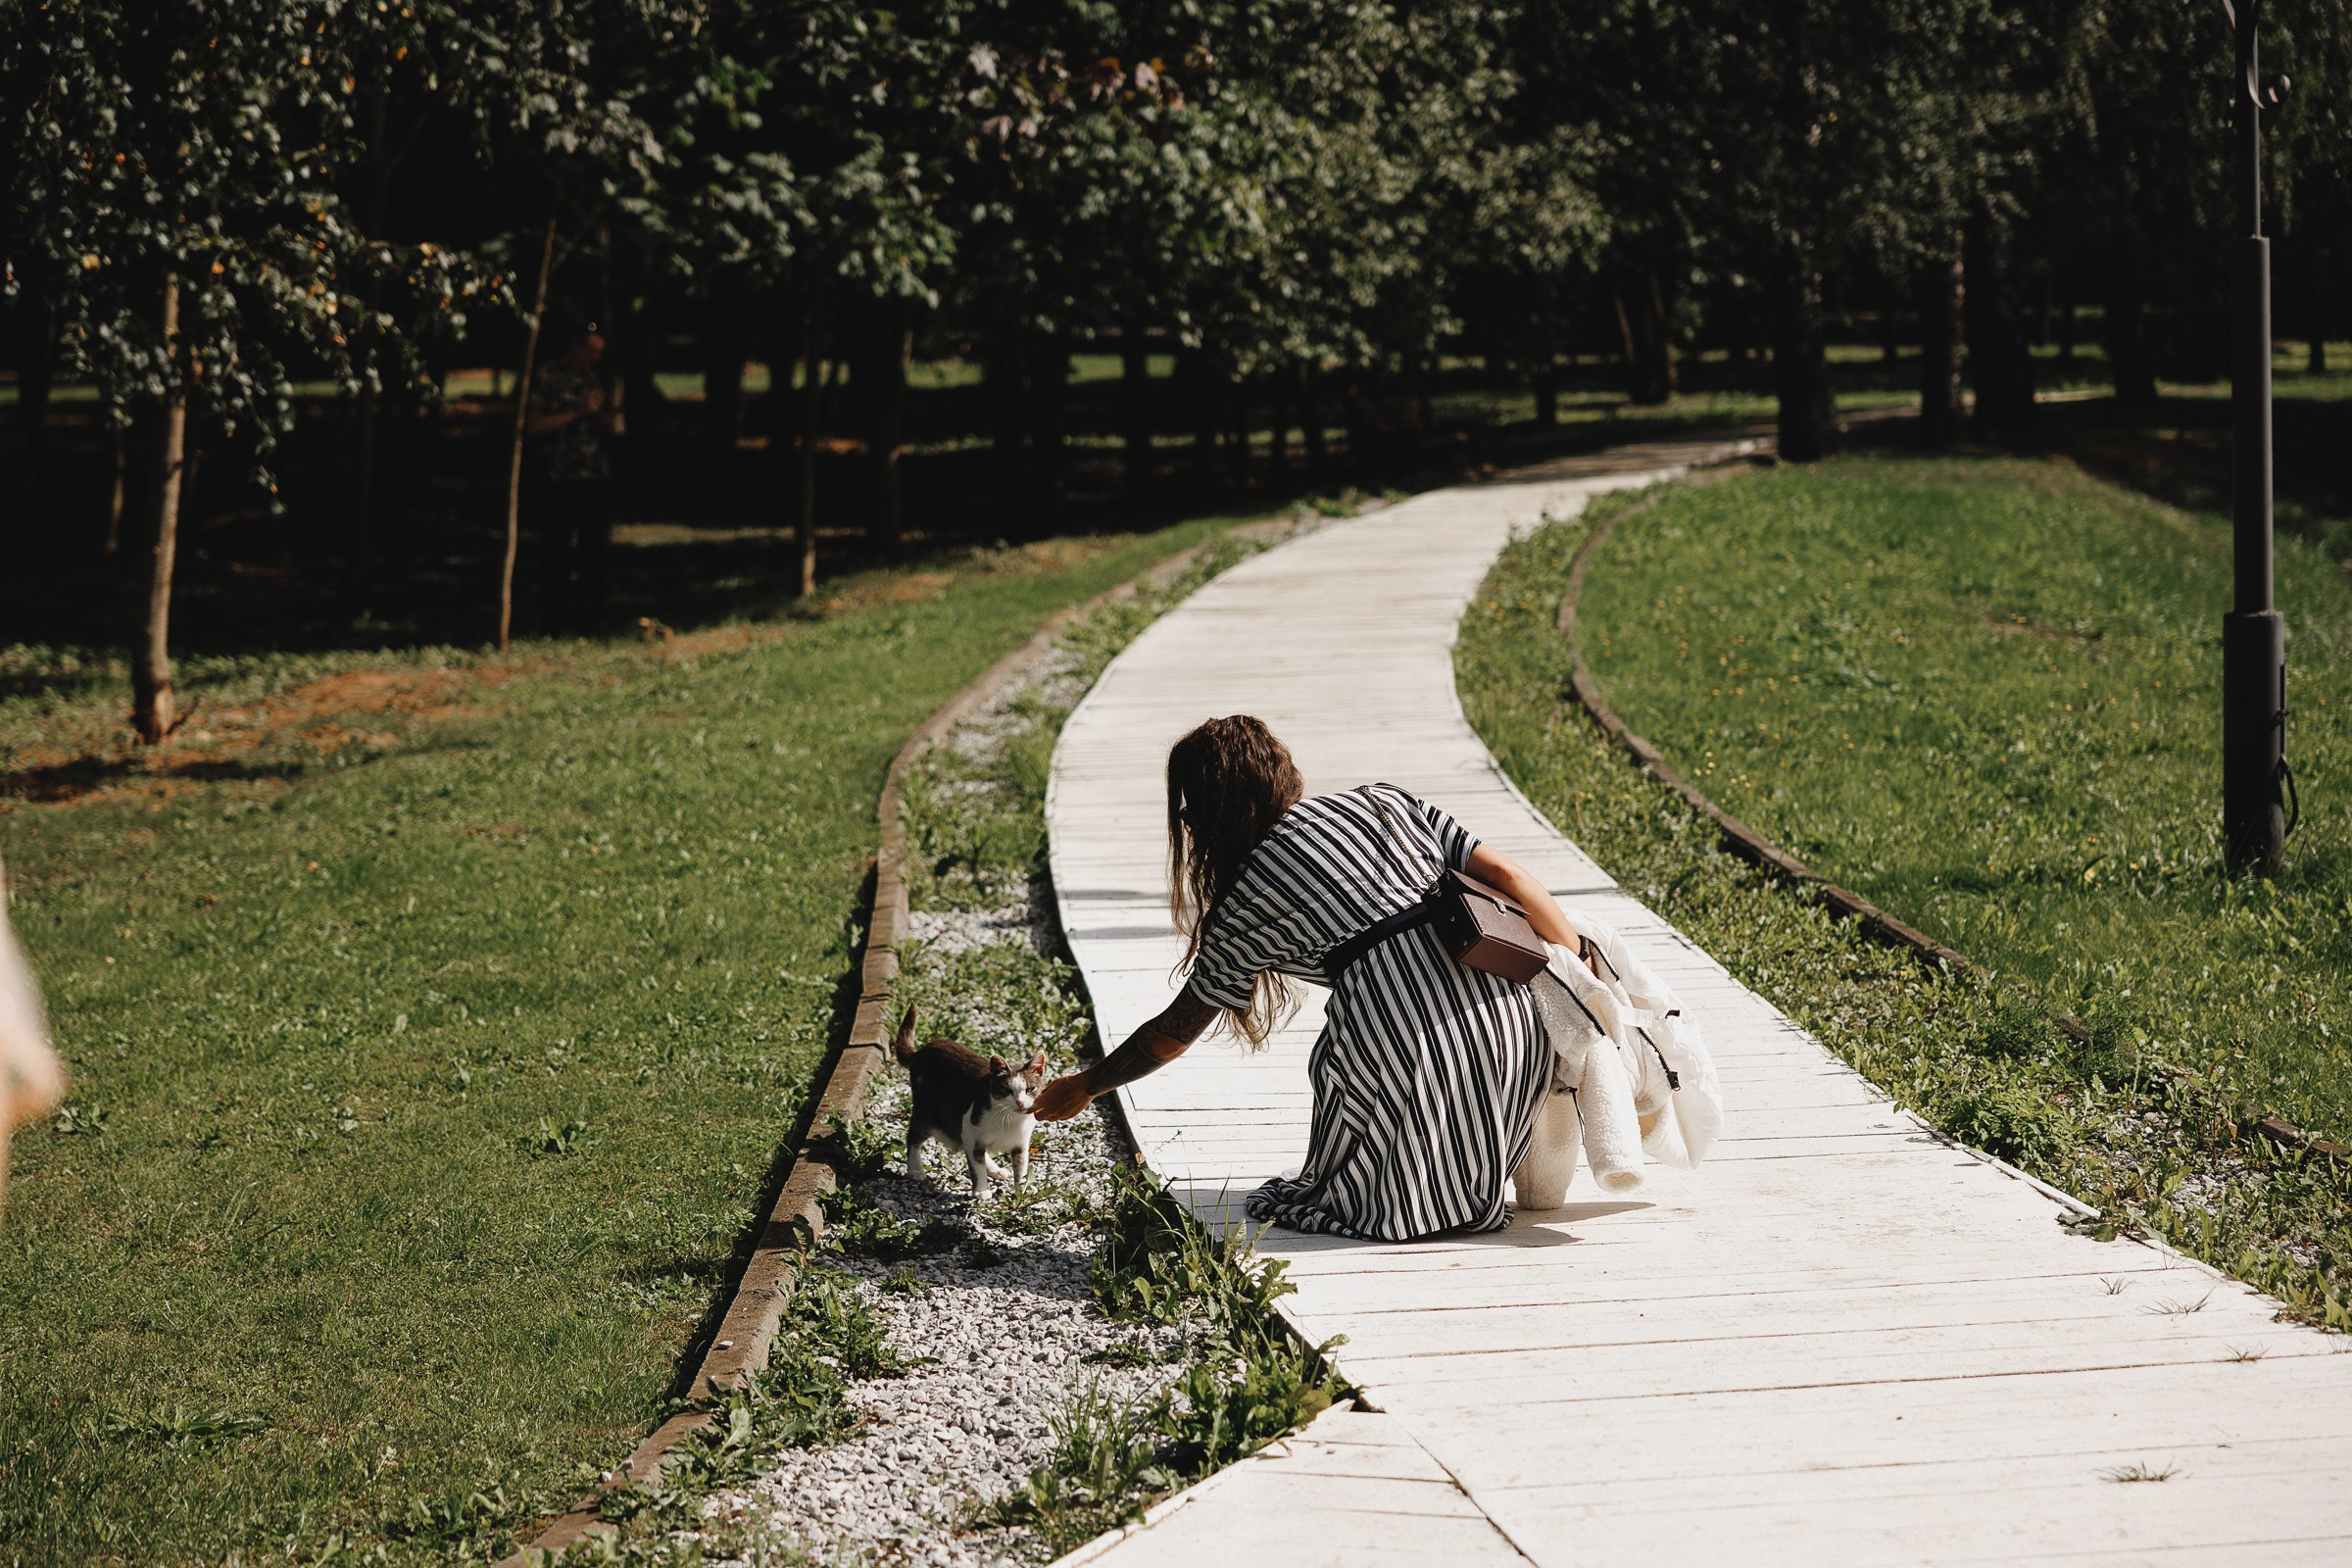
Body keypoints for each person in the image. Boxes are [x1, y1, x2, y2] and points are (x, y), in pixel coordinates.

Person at [1033, 714, 1581, 1241]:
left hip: (1411, 1051)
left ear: (1204, 813)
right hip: (1518, 1030)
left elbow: (1173, 1032)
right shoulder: (1385, 802)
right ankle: (1467, 1170)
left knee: (1347, 1099)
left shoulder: (1242, 905)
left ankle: (1425, 1184)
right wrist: (1574, 965)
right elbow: (1507, 874)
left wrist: (1086, 1085)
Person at [525, 322, 617, 632]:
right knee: (556, 553)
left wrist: (605, 419)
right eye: (592, 351)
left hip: (594, 475)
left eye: (600, 353)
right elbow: (534, 424)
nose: (596, 358)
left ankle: (591, 620)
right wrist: (579, 411)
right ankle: (553, 621)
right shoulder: (547, 376)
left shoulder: (593, 378)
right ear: (575, 347)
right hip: (558, 477)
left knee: (595, 554)